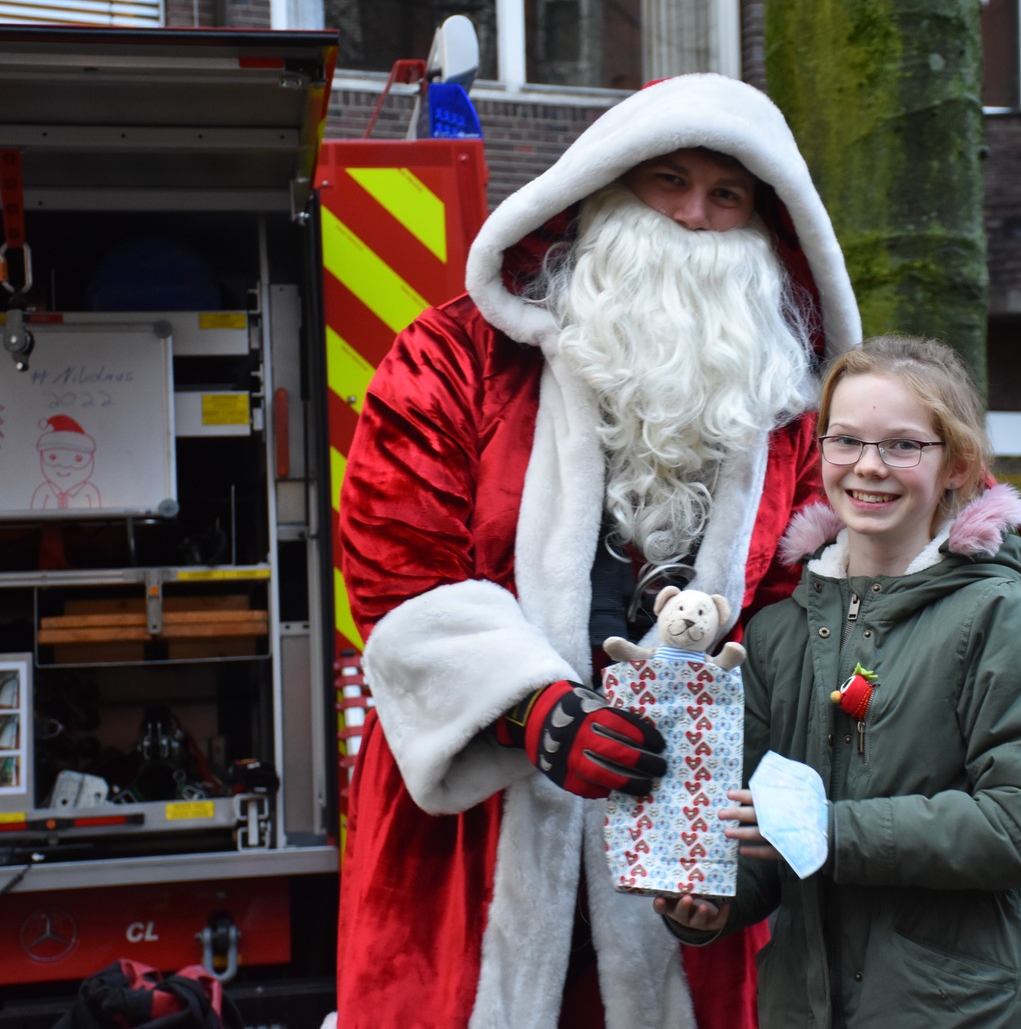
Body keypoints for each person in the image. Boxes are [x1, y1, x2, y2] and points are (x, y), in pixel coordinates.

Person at [334, 73, 861, 1029]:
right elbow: (393, 572)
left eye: (727, 194)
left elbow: (798, 615)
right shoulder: (454, 357)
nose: (696, 217)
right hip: (481, 832)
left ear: (765, 227)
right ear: (606, 189)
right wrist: (535, 711)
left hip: (684, 839)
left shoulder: (784, 417)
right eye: (669, 180)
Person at [657, 334, 1021, 1028]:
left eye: (903, 446)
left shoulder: (1002, 616)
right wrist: (714, 897)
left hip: (974, 1011)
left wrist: (829, 829)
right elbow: (760, 829)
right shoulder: (775, 632)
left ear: (959, 464)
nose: (869, 467)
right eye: (846, 440)